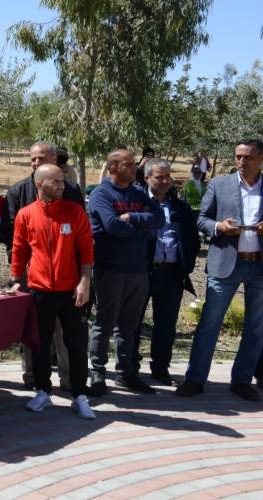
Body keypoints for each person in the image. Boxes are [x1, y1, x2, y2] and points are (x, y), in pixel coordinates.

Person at [178, 139, 263, 402]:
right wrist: (220, 227)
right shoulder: (219, 184)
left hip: (259, 265)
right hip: (225, 263)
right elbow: (202, 220)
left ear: (260, 159)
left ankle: (241, 380)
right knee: (209, 324)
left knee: (256, 327)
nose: (241, 161)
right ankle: (195, 379)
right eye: (238, 156)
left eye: (247, 157)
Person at [10, 164, 95, 420]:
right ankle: (43, 392)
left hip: (72, 291)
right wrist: (16, 280)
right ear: (40, 184)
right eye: (56, 181)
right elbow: (19, 249)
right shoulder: (25, 214)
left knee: (76, 344)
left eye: (62, 180)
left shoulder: (74, 211)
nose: (62, 185)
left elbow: (86, 249)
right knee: (39, 344)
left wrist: (85, 281)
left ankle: (79, 396)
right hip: (39, 291)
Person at [87, 149, 164, 396]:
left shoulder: (138, 193)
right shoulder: (101, 193)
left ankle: (125, 373)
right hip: (110, 268)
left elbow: (159, 219)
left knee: (129, 326)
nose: (134, 168)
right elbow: (111, 225)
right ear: (113, 168)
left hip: (138, 269)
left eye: (133, 164)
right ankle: (97, 373)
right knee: (105, 323)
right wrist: (142, 230)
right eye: (128, 164)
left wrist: (133, 217)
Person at [135, 160, 200, 385]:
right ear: (146, 178)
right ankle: (130, 368)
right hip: (142, 272)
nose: (165, 181)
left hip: (171, 274)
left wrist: (185, 265)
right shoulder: (137, 203)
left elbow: (192, 239)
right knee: (133, 322)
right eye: (159, 177)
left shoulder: (180, 207)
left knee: (166, 325)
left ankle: (161, 368)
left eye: (168, 176)